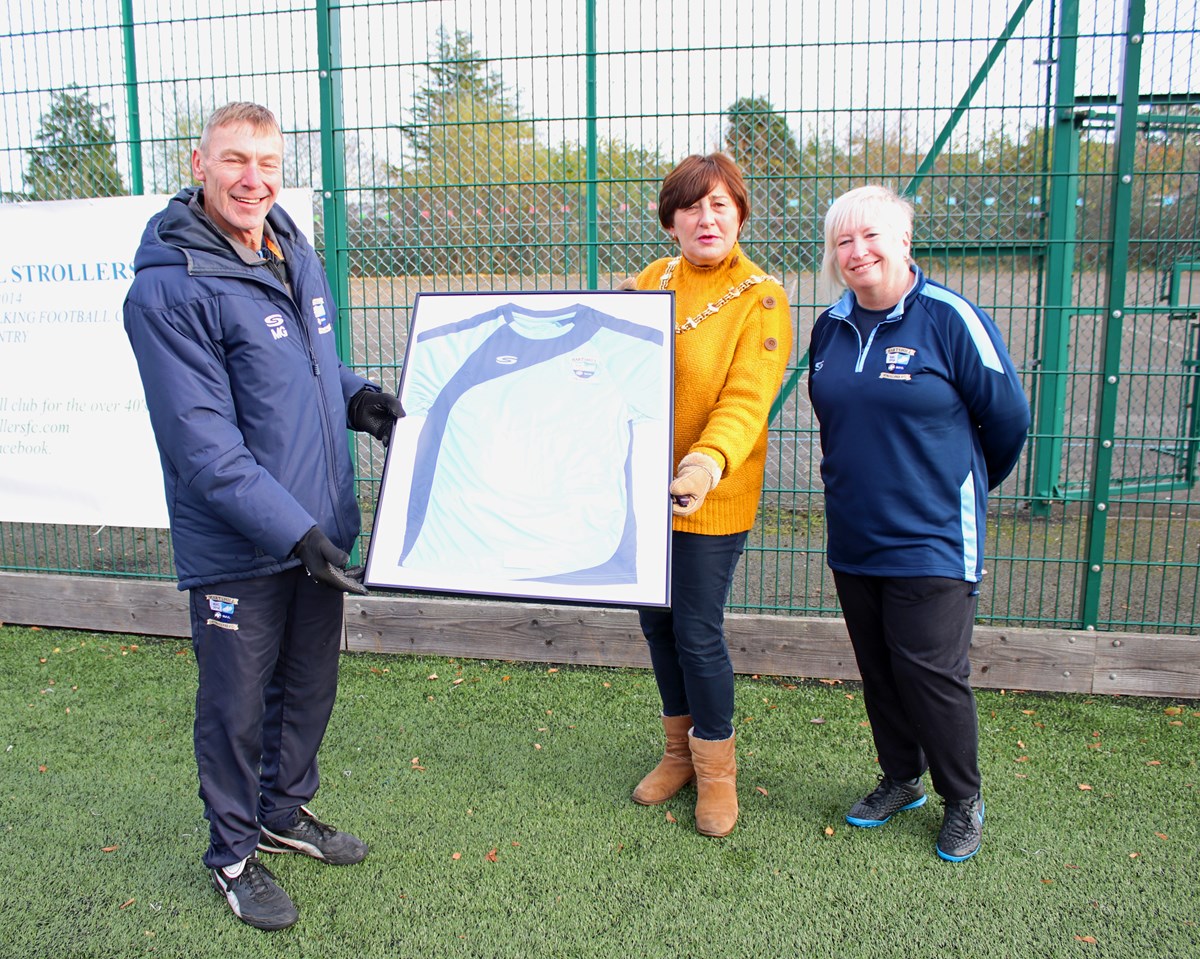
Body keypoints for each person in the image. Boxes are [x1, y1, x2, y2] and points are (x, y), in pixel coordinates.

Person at [123, 102, 404, 929]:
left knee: (309, 688)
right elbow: (205, 446)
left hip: (313, 530)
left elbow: (309, 366)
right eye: (236, 160)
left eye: (269, 161)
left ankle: (283, 812)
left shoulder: (288, 242)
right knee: (237, 705)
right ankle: (234, 853)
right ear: (200, 164)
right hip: (243, 547)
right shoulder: (169, 287)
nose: (255, 178)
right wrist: (292, 529)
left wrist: (362, 400)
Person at [807, 184, 1030, 862]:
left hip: (934, 537)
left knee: (932, 673)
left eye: (871, 235)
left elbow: (1009, 417)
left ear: (904, 241)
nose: (858, 250)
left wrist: (961, 486)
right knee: (880, 670)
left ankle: (964, 799)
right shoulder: (830, 325)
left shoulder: (949, 318)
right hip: (855, 534)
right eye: (844, 240)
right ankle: (902, 778)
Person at [628, 153, 792, 837]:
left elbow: (745, 402)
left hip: (710, 497)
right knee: (656, 624)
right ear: (671, 222)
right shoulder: (646, 282)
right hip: (641, 492)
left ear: (740, 215)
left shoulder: (762, 297)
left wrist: (702, 465)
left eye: (721, 204)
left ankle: (717, 770)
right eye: (692, 206)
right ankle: (677, 754)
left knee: (696, 630)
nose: (707, 217)